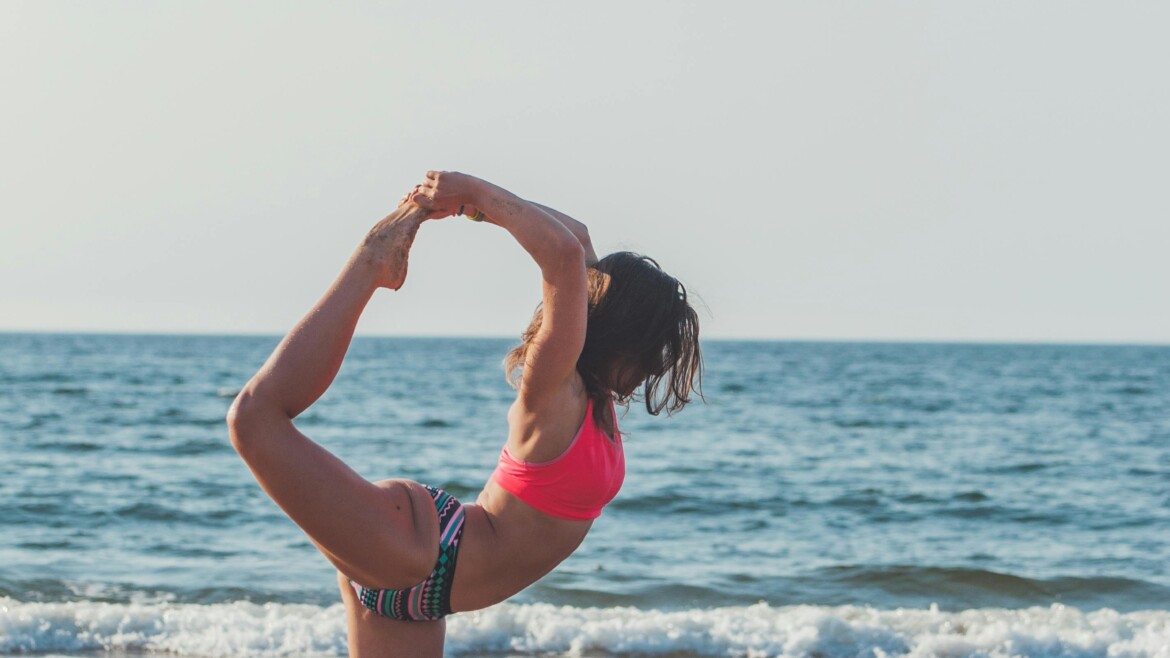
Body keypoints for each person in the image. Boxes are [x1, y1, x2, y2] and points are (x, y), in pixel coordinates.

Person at [227, 171, 703, 657]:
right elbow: (563, 253)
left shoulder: (595, 402)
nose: (656, 366)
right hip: (416, 551)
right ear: (624, 334)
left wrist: (468, 208)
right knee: (253, 419)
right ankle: (371, 263)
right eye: (653, 350)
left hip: (426, 590)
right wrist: (473, 193)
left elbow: (576, 238)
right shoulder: (558, 386)